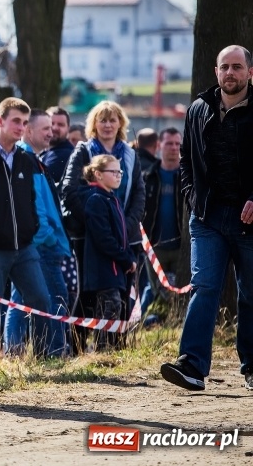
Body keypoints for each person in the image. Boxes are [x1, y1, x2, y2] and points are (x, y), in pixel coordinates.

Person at [161, 44, 253, 392]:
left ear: (250, 73)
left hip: (249, 221)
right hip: (207, 218)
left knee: (251, 294)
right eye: (224, 67)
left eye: (237, 67)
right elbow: (186, 159)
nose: (230, 73)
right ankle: (192, 366)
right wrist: (193, 197)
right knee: (204, 287)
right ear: (216, 72)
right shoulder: (199, 108)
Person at [60, 101, 145, 353]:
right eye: (102, 120)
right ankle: (76, 349)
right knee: (87, 294)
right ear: (94, 124)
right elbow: (69, 191)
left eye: (112, 120)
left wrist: (122, 226)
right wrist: (96, 221)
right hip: (88, 237)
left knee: (122, 293)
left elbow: (139, 194)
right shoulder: (83, 151)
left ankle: (115, 348)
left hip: (125, 237)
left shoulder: (130, 155)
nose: (107, 125)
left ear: (120, 124)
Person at [0, 98, 54, 361]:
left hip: (24, 248)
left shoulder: (25, 159)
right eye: (16, 121)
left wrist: (32, 227)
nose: (21, 127)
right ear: (0, 121)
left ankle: (42, 360)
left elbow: (30, 198)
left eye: (24, 122)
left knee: (41, 301)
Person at [4, 109, 69, 357]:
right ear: (29, 131)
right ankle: (54, 351)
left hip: (37, 243)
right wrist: (48, 238)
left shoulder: (33, 159)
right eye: (45, 128)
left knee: (20, 300)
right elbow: (36, 208)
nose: (51, 133)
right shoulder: (27, 160)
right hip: (42, 245)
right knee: (56, 296)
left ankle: (14, 353)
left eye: (52, 128)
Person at [82, 155, 137, 350]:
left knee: (118, 308)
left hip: (117, 269)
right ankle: (102, 351)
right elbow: (104, 238)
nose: (118, 175)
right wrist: (125, 259)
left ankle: (112, 350)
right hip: (104, 270)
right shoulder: (96, 200)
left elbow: (122, 236)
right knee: (109, 308)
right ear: (98, 174)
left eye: (119, 171)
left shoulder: (113, 199)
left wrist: (129, 257)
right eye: (113, 172)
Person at [140, 127, 183, 318]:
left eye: (177, 144)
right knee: (157, 292)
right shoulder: (147, 177)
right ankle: (156, 324)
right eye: (169, 143)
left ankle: (177, 322)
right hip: (155, 247)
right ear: (159, 146)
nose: (174, 148)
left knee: (181, 293)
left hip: (183, 248)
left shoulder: (188, 177)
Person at [42, 106, 74, 184]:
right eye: (51, 123)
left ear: (68, 129)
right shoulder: (43, 151)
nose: (54, 128)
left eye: (61, 124)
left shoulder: (65, 154)